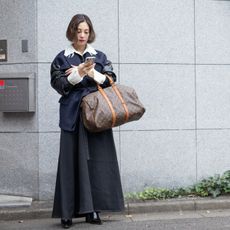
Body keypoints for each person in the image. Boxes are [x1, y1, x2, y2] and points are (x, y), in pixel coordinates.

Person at [50, 14, 124, 229]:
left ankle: (93, 211)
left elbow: (111, 80)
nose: (82, 35)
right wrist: (76, 75)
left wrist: (92, 72)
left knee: (98, 162)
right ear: (71, 31)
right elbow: (58, 84)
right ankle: (67, 214)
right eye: (78, 31)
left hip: (97, 114)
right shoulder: (61, 58)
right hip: (72, 115)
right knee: (69, 163)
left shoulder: (99, 56)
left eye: (85, 31)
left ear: (90, 32)